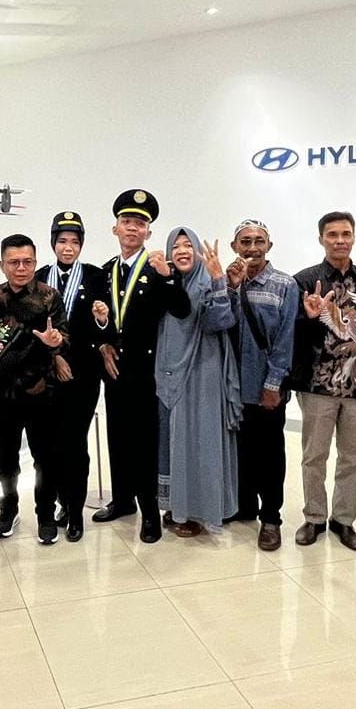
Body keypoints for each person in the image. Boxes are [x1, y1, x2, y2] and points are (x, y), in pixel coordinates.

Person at [92, 190, 191, 543]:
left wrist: (168, 277)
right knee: (117, 436)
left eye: (140, 223)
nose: (132, 228)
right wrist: (102, 340)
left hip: (148, 370)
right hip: (114, 368)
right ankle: (122, 500)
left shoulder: (158, 269)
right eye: (126, 221)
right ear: (115, 228)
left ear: (148, 231)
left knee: (146, 441)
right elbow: (97, 320)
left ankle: (150, 512)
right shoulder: (105, 272)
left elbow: (182, 310)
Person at [288, 212, 356, 551]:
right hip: (318, 386)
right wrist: (309, 317)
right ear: (321, 239)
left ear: (354, 237)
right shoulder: (305, 280)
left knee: (354, 458)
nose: (340, 240)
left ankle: (343, 520)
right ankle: (314, 517)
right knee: (314, 456)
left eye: (346, 233)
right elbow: (292, 334)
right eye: (332, 234)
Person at [156, 227, 241, 537]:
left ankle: (200, 509)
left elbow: (220, 322)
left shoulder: (208, 282)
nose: (182, 251)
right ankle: (177, 506)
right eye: (176, 246)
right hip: (168, 373)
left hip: (204, 372)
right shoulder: (165, 283)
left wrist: (219, 279)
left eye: (187, 245)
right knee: (173, 441)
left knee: (202, 440)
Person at [0, 234, 69, 544]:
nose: (21, 268)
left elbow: (65, 335)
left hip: (42, 391)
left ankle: (45, 514)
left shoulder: (50, 296)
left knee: (44, 458)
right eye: (14, 262)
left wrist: (56, 341)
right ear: (2, 265)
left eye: (27, 262)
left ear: (35, 263)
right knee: (7, 458)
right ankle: (8, 509)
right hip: (5, 393)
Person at [225, 219, 298, 551]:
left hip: (266, 387)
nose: (252, 248)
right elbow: (220, 324)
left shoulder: (284, 285)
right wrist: (230, 287)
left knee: (269, 454)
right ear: (234, 247)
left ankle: (271, 518)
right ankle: (243, 506)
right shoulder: (228, 281)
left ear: (269, 245)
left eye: (258, 241)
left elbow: (285, 339)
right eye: (245, 241)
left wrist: (273, 383)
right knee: (239, 449)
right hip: (231, 387)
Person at [35, 211, 108, 542]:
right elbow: (31, 329)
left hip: (83, 375)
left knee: (75, 444)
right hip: (47, 374)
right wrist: (54, 358)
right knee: (51, 445)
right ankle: (61, 505)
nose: (68, 247)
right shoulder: (39, 277)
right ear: (53, 243)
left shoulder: (96, 276)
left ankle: (76, 512)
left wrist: (103, 320)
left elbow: (106, 325)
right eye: (62, 241)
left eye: (75, 242)